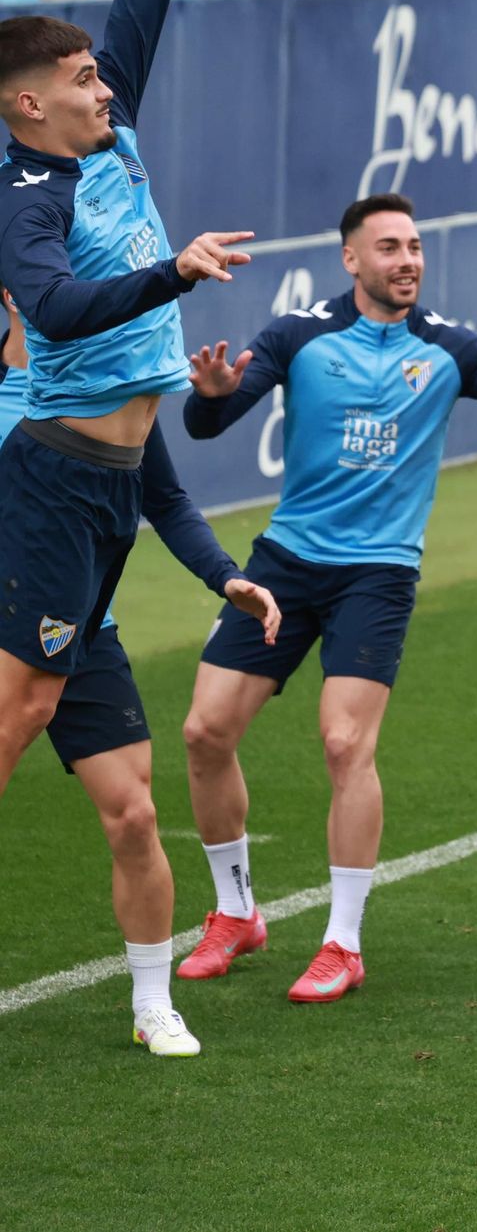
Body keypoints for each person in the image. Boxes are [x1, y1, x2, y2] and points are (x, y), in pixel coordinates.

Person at [174, 193, 477, 1005]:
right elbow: (206, 425)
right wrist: (212, 394)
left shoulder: (453, 350)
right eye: (389, 247)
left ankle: (342, 941)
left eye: (416, 246)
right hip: (285, 564)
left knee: (344, 743)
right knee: (205, 730)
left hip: (378, 574)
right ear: (351, 259)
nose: (408, 260)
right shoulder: (298, 335)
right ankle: (236, 911)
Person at [0, 0, 264, 1052]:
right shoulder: (23, 196)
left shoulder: (110, 133)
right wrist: (174, 269)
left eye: (104, 76)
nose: (106, 85)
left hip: (107, 494)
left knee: (128, 801)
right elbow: (49, 311)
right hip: (45, 482)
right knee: (20, 712)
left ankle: (154, 1000)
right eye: (82, 79)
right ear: (27, 100)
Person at [1, 292, 280, 1057]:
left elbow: (165, 498)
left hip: (87, 630)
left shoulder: (110, 387)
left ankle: (152, 1003)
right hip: (8, 631)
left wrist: (226, 577)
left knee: (135, 817)